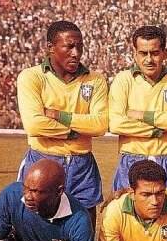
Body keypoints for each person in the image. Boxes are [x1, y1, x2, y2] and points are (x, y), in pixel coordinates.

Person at [17, 20, 108, 229]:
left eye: (80, 46)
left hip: (82, 165)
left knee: (84, 229)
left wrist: (59, 116)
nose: (76, 53)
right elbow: (34, 125)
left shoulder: (95, 80)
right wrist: (78, 132)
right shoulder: (31, 77)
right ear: (51, 47)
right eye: (69, 46)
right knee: (35, 228)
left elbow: (100, 124)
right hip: (43, 160)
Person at [109, 25, 167, 193]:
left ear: (165, 53)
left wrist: (140, 115)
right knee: (128, 209)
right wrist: (165, 123)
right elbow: (116, 124)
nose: (149, 59)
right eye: (143, 53)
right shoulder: (123, 80)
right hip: (132, 160)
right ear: (135, 54)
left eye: (154, 53)